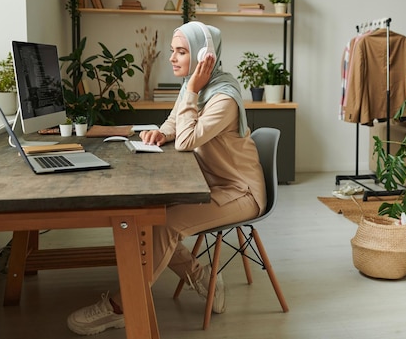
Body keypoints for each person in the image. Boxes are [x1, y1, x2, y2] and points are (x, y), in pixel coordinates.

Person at [66, 21, 267, 336]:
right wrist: (161, 132)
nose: (172, 58)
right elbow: (176, 123)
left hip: (240, 193)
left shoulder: (222, 98)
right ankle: (199, 276)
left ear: (205, 57)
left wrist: (192, 90)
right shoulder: (193, 86)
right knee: (148, 213)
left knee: (164, 223)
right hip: (207, 183)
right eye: (173, 51)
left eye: (181, 51)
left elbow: (187, 141)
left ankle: (121, 306)